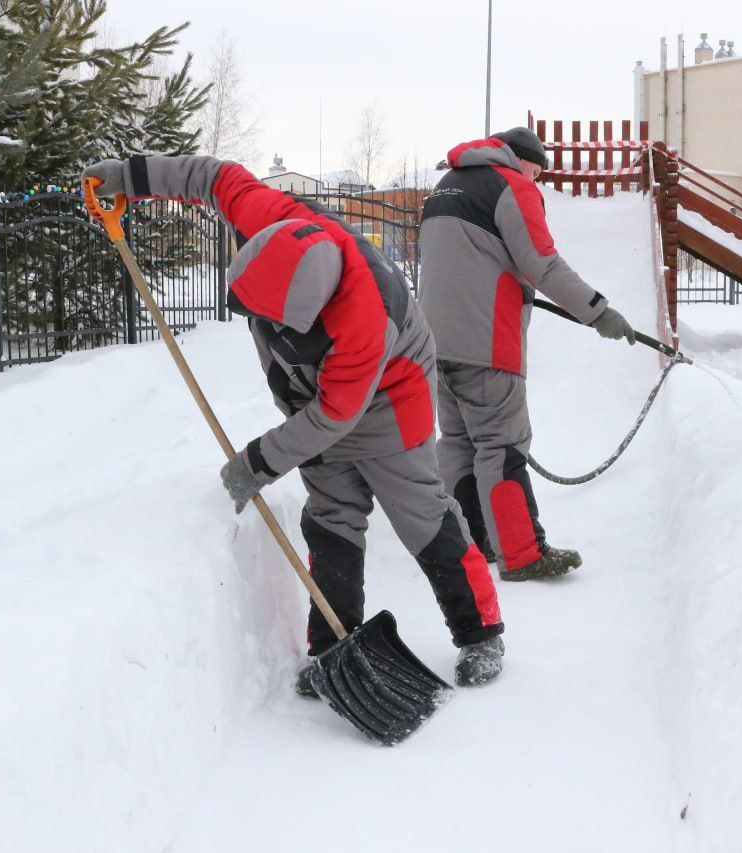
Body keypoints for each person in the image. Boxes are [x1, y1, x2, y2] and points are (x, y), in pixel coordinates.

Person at [82, 154, 505, 688]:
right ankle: (333, 648)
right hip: (314, 396)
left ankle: (481, 634)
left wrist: (258, 462)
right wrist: (131, 176)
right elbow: (216, 178)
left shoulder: (362, 319)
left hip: (391, 399)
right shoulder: (272, 217)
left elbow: (334, 417)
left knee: (422, 516)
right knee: (330, 515)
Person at [418, 127, 637, 582]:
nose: (537, 182)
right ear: (521, 160)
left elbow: (472, 259)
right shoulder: (510, 184)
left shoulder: (446, 187)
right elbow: (543, 263)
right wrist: (598, 311)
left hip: (436, 341)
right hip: (487, 341)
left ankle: (473, 542)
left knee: (459, 444)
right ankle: (522, 553)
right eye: (537, 172)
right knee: (501, 445)